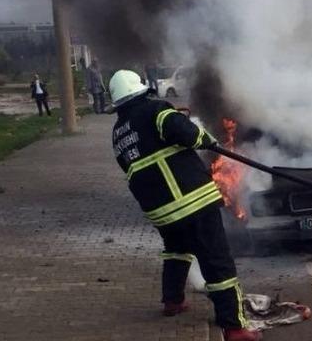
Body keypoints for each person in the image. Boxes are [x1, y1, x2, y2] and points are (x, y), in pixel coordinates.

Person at [108, 70, 261, 341]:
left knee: (177, 250)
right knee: (218, 262)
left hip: (160, 211)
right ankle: (234, 327)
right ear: (141, 90)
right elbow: (189, 134)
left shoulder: (118, 134)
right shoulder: (156, 110)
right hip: (192, 202)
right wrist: (206, 139)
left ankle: (173, 301)